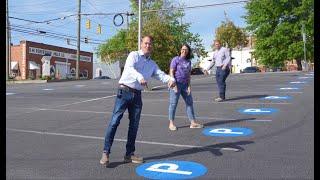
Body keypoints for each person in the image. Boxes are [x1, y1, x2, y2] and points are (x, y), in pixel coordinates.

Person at [100, 35, 176, 166]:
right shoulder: (133, 55)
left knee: (134, 126)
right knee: (114, 122)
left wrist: (170, 80)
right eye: (146, 43)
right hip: (124, 92)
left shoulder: (152, 64)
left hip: (137, 96)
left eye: (150, 44)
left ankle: (129, 154)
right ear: (141, 44)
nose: (148, 45)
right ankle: (106, 152)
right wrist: (140, 77)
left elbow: (160, 74)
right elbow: (129, 68)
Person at [168, 44, 204, 131]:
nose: (184, 51)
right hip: (175, 84)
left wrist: (188, 86)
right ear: (180, 50)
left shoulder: (188, 62)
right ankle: (171, 123)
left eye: (186, 50)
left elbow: (188, 75)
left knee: (189, 103)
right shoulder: (175, 59)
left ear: (188, 51)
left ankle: (193, 123)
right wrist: (174, 84)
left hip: (185, 85)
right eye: (183, 49)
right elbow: (171, 71)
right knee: (173, 104)